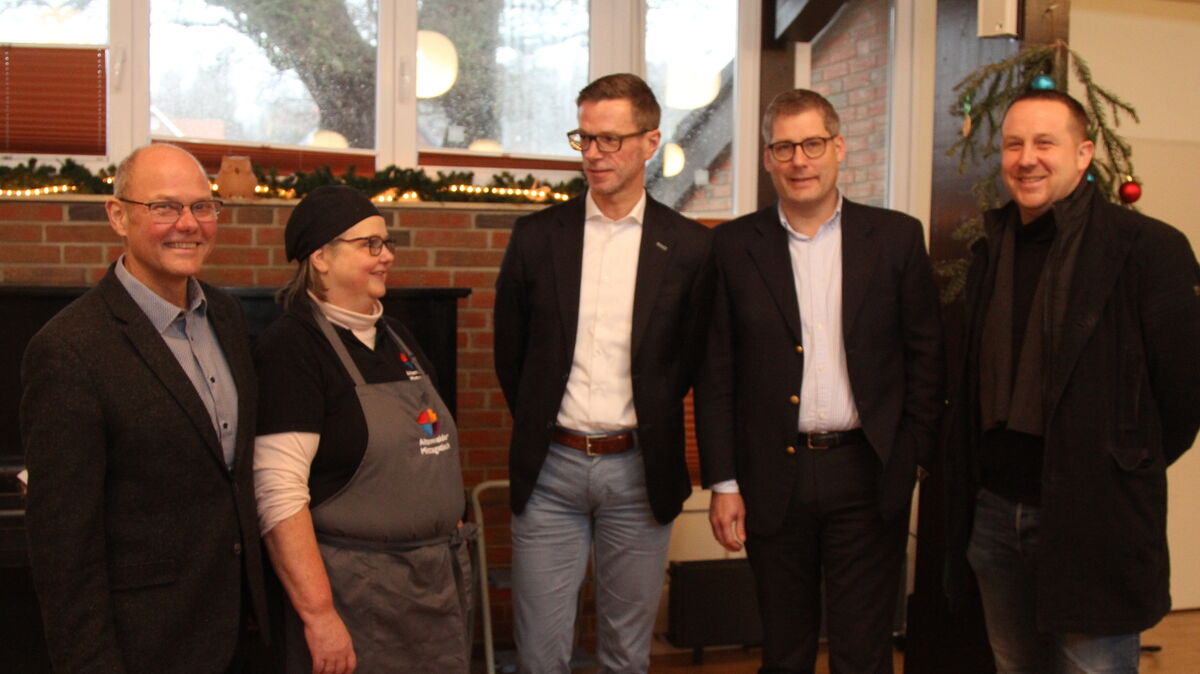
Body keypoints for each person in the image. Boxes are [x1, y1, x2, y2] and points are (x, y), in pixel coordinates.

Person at [942, 89, 1200, 673]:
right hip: (994, 519)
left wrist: (1122, 465)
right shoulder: (992, 247)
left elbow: (1183, 395)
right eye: (1013, 144)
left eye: (1044, 143)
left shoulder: (1148, 250)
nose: (1026, 158)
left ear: (1083, 155)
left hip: (1094, 522)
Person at [695, 89, 944, 673]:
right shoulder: (732, 247)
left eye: (811, 145)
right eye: (784, 147)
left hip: (867, 472)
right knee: (784, 650)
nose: (798, 160)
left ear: (838, 149)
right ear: (767, 158)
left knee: (863, 650)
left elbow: (927, 356)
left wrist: (913, 455)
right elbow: (716, 371)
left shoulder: (897, 238)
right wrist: (724, 481)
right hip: (770, 475)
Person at [493, 73, 714, 673]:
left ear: (651, 142)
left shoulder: (691, 248)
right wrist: (543, 421)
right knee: (540, 655)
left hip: (641, 473)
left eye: (610, 140)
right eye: (584, 138)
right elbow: (510, 354)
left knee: (626, 655)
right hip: (551, 472)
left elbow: (695, 362)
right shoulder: (537, 238)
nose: (593, 154)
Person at [20, 143, 268, 673]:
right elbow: (65, 551)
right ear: (118, 216)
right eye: (164, 207)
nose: (189, 224)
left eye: (203, 206)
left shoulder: (225, 316)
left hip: (245, 635)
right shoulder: (69, 350)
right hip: (149, 645)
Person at [253, 185, 472, 673]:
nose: (386, 256)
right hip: (358, 591)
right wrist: (320, 614)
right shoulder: (292, 348)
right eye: (369, 244)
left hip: (432, 584)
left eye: (387, 243)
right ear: (321, 257)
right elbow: (278, 492)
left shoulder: (398, 338)